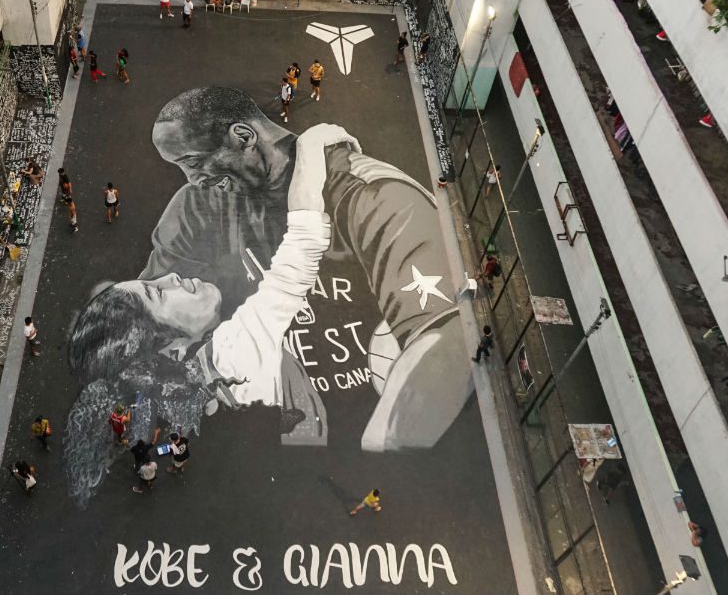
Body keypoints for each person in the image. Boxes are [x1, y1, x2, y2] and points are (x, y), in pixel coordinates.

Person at [142, 88, 469, 453]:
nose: (192, 178)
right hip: (276, 434)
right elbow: (142, 318)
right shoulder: (196, 206)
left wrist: (385, 448)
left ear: (243, 137)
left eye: (194, 162)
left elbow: (447, 344)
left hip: (357, 422)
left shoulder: (374, 195)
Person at [61, 125, 356, 505]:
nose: (169, 278)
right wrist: (313, 142)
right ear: (170, 348)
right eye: (157, 292)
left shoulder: (188, 379)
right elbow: (302, 246)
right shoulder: (232, 350)